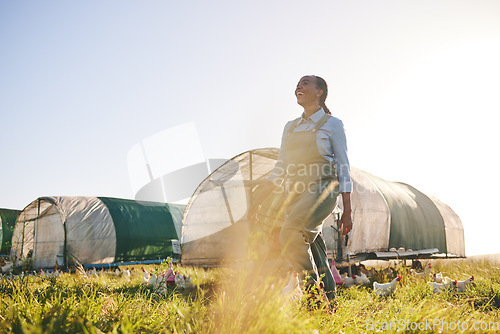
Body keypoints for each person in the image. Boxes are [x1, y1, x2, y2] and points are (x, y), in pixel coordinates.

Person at [249, 75, 353, 305]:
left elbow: (343, 166)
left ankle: (312, 292)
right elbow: (281, 167)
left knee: (289, 233)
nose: (299, 86)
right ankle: (331, 302)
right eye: (297, 83)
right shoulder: (290, 127)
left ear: (320, 92)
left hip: (323, 189)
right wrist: (258, 201)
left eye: (305, 82)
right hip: (296, 192)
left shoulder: (332, 124)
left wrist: (347, 210)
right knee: (314, 248)